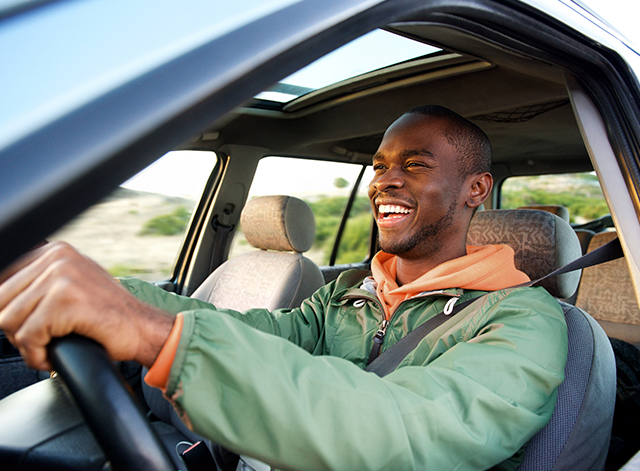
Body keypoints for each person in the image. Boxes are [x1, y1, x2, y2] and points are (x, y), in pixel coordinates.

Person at [0, 105, 567, 470]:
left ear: (476, 189)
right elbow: (255, 333)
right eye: (380, 165)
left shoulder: (522, 321)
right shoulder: (348, 292)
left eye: (415, 164)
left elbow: (409, 430)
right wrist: (108, 293)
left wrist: (155, 337)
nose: (385, 180)